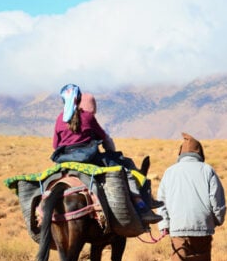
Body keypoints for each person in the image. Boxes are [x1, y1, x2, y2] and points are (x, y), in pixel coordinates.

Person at [51, 84, 161, 224]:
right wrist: (111, 152)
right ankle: (142, 207)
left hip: (64, 161)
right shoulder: (88, 117)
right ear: (79, 98)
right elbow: (104, 138)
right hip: (89, 159)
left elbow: (55, 145)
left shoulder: (60, 119)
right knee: (126, 171)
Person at [157, 133, 227, 261]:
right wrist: (217, 219)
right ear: (199, 153)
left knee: (180, 256)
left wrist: (164, 224)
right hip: (202, 221)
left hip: (177, 224)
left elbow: (160, 201)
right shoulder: (207, 170)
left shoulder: (169, 172)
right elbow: (216, 199)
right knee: (203, 254)